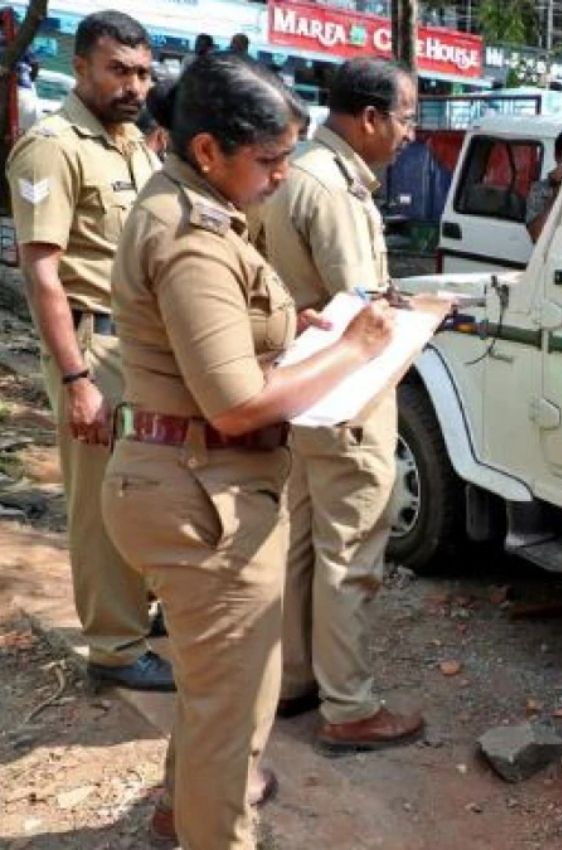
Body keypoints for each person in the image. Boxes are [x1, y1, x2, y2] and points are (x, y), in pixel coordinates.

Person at [102, 53, 395, 850]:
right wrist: (353, 349)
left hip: (192, 482)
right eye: (269, 160)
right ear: (208, 150)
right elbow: (233, 405)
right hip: (205, 495)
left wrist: (295, 332)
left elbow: (217, 342)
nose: (281, 176)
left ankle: (181, 810)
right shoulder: (191, 237)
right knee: (235, 709)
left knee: (215, 691)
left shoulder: (193, 208)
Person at [258, 57, 423, 751]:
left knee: (302, 541)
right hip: (346, 395)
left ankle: (295, 679)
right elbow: (362, 311)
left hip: (304, 389)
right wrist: (420, 317)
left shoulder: (298, 172)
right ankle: (350, 707)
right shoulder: (334, 189)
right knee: (350, 548)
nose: (411, 134)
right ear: (371, 118)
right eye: (407, 118)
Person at [6, 10, 172, 692]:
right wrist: (76, 378)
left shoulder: (133, 144)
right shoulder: (52, 147)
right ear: (79, 68)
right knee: (104, 500)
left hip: (143, 343)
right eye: (119, 71)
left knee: (149, 488)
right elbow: (41, 272)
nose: (134, 86)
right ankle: (113, 646)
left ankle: (143, 609)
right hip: (94, 345)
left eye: (143, 73)